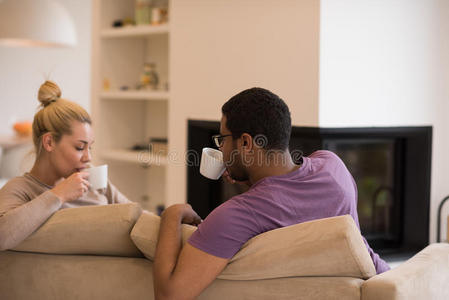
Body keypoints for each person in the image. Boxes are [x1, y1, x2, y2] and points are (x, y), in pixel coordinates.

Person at [153, 87, 390, 300]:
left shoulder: (235, 216)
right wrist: (249, 178)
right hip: (384, 284)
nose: (221, 149)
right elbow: (288, 196)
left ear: (246, 143)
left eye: (222, 140)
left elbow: (170, 295)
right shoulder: (333, 165)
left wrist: (171, 215)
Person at [0, 80, 130, 250]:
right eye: (79, 147)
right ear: (49, 142)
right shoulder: (20, 189)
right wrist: (59, 194)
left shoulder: (94, 179)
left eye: (90, 148)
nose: (88, 157)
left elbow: (137, 217)